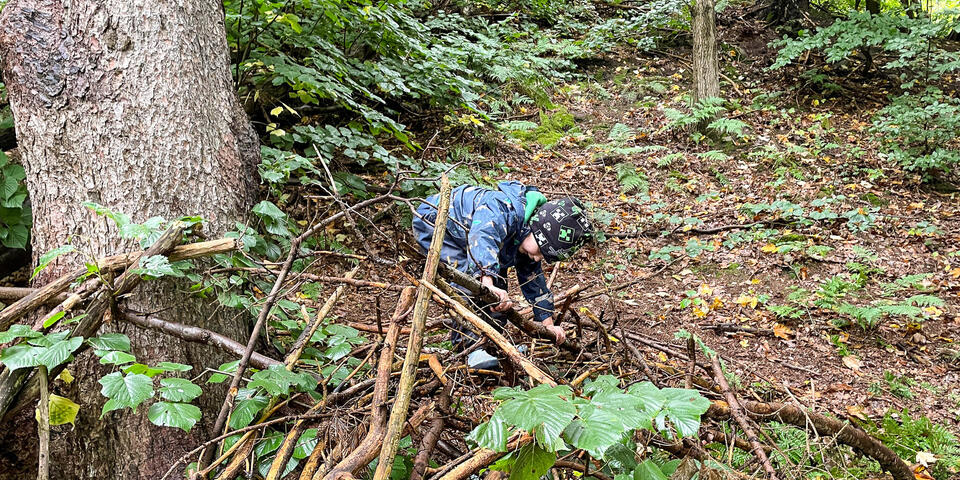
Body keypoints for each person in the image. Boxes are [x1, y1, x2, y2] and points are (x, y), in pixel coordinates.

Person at [412, 180, 593, 369]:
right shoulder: (502, 208)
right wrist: (486, 281)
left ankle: (492, 344)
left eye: (545, 257)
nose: (538, 258)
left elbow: (534, 282)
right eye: (541, 251)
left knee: (498, 298)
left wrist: (547, 324)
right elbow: (483, 237)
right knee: (466, 281)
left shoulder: (528, 241)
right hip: (436, 223)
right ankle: (469, 349)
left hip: (472, 242)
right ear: (537, 230)